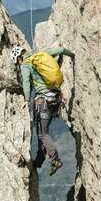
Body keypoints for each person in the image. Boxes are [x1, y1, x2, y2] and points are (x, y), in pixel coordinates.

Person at [11, 45, 74, 176]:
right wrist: (73, 55)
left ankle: (55, 160)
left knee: (42, 134)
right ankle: (39, 160)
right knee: (42, 131)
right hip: (55, 102)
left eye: (17, 62)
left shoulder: (25, 65)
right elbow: (61, 50)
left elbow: (26, 82)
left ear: (19, 58)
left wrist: (27, 100)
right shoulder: (40, 55)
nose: (18, 64)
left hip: (43, 103)